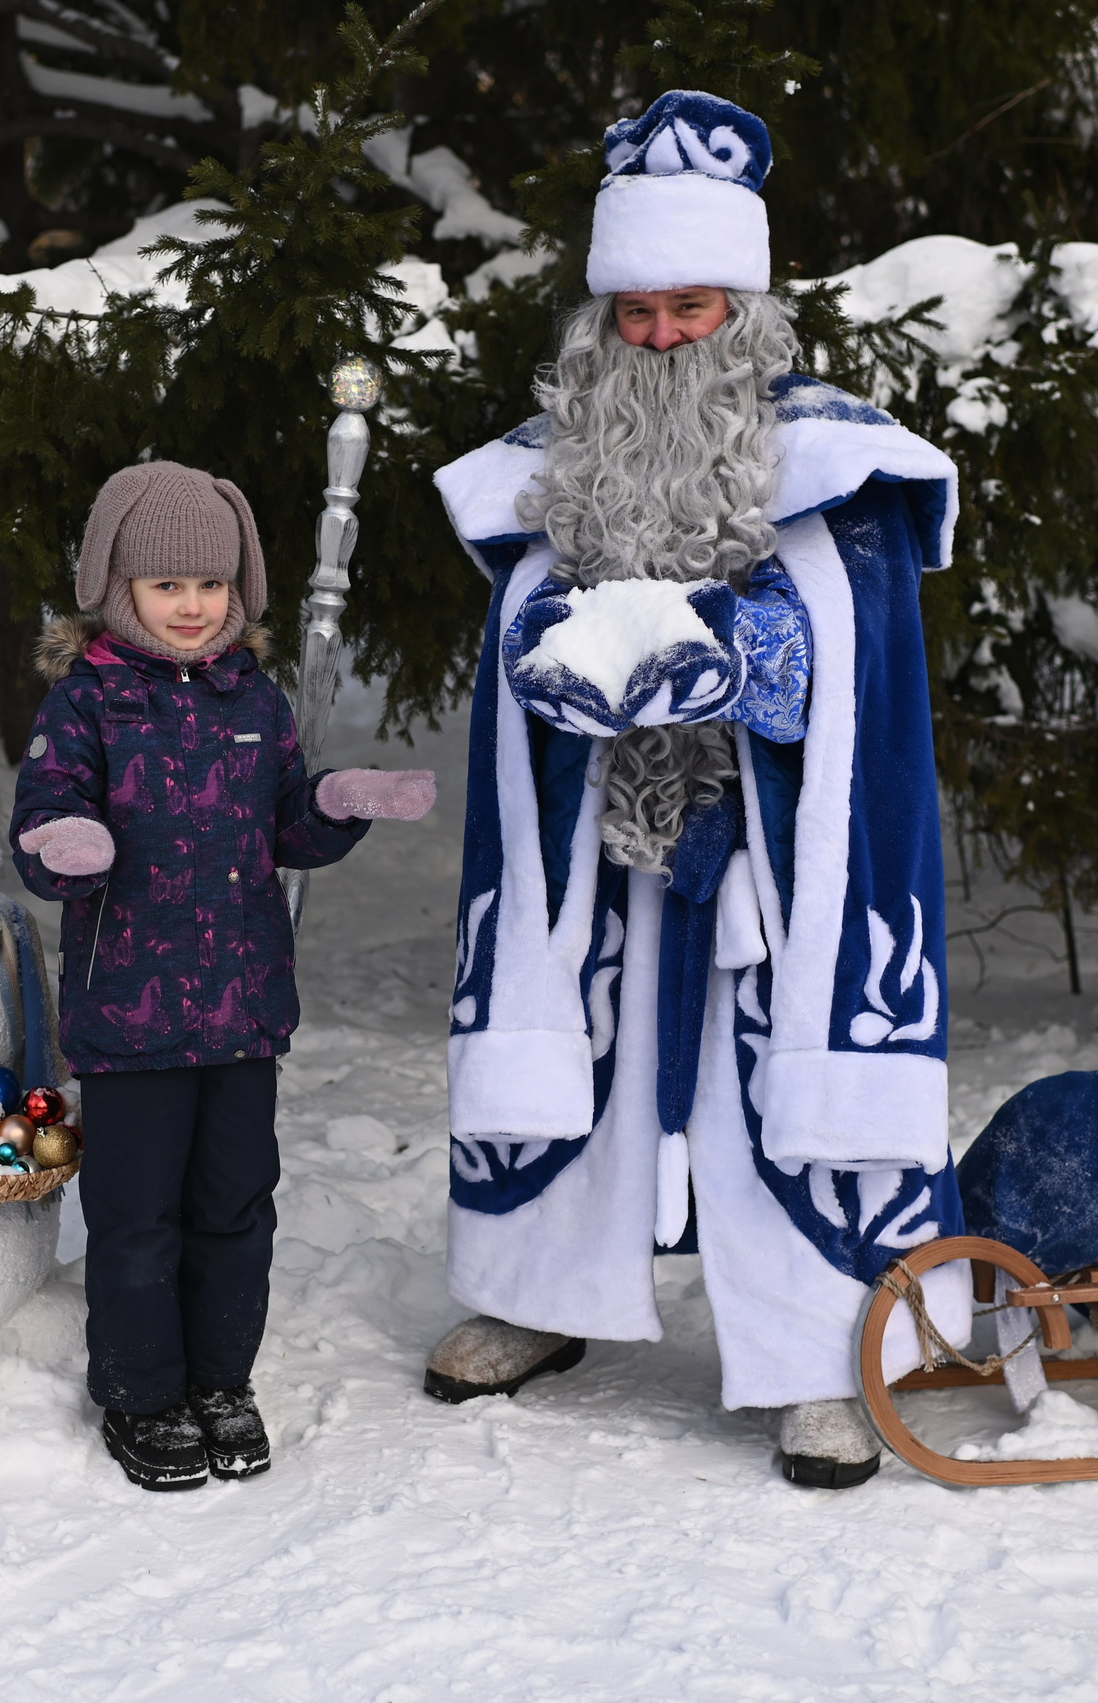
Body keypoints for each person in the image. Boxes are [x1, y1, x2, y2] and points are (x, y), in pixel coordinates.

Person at [425, 90, 972, 1487]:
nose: (662, 337)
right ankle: (538, 1297)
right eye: (637, 314)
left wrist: (737, 658)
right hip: (598, 829)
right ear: (601, 321)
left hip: (772, 843)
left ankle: (829, 1358)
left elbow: (867, 634)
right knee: (588, 1054)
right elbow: (523, 616)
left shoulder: (838, 455)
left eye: (692, 308)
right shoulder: (556, 462)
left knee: (766, 1082)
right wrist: (563, 663)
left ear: (746, 308)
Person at [12, 460, 436, 1491]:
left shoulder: (257, 699)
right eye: (167, 586)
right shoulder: (89, 704)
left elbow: (284, 820)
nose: (193, 604)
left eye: (210, 584)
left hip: (243, 1011)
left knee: (235, 1209)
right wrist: (64, 837)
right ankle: (141, 1391)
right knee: (137, 1216)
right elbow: (39, 820)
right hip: (130, 1015)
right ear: (119, 591)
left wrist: (337, 799)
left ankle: (217, 1380)